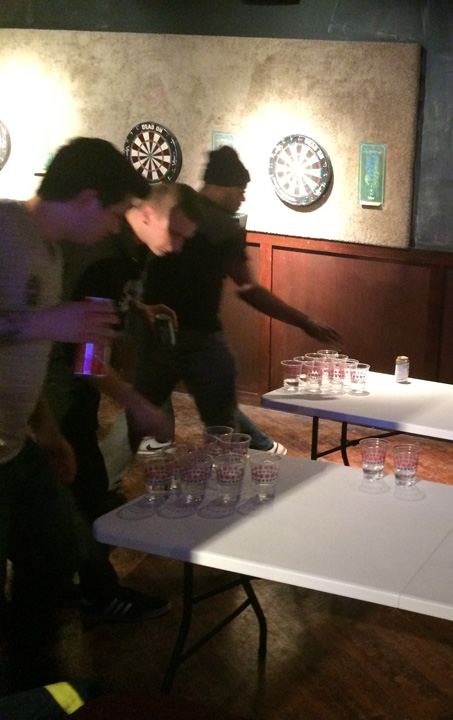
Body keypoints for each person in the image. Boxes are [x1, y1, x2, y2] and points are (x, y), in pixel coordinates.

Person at [0, 137, 148, 690]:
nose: (115, 227)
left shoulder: (54, 252)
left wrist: (48, 430)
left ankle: (31, 678)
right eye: (115, 212)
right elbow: (38, 331)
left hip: (17, 444)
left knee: (59, 548)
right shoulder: (5, 228)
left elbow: (24, 355)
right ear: (86, 198)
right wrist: (48, 323)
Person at [43, 182, 204, 626]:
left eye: (186, 238)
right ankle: (99, 596)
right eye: (175, 233)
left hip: (59, 390)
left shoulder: (128, 251)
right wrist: (139, 405)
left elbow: (102, 298)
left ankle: (57, 584)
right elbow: (87, 362)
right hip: (56, 393)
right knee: (86, 492)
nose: (177, 246)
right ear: (147, 214)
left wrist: (139, 307)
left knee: (66, 494)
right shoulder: (106, 259)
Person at [133, 146, 340, 452]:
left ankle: (153, 452)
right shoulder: (223, 226)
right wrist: (304, 321)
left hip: (156, 328)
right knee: (220, 418)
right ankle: (238, 457)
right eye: (240, 190)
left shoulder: (177, 208)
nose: (242, 198)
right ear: (224, 187)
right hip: (199, 335)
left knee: (143, 413)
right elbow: (249, 290)